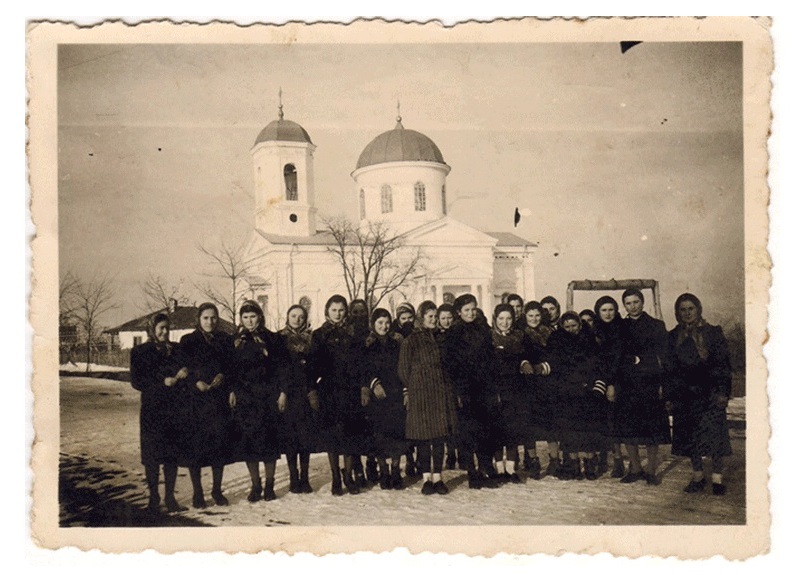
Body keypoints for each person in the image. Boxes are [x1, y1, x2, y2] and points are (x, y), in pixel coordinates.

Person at [666, 293, 733, 496]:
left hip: (710, 393)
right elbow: (669, 369)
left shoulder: (713, 333)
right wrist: (670, 395)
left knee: (714, 436)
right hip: (685, 394)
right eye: (682, 310)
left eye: (691, 308)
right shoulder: (673, 336)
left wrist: (723, 392)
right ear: (678, 313)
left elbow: (723, 365)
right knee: (691, 437)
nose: (687, 313)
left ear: (698, 309)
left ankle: (717, 478)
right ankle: (697, 476)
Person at [130, 313, 189, 514]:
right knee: (152, 456)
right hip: (152, 411)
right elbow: (137, 381)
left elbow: (185, 368)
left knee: (171, 455)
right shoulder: (140, 351)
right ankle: (153, 497)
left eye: (167, 328)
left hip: (174, 409)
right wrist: (161, 382)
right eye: (161, 328)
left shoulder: (177, 349)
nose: (164, 332)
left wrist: (184, 372)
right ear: (152, 329)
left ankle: (170, 497)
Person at [230, 300, 289, 502]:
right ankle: (256, 485)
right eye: (245, 317)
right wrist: (232, 390)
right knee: (250, 444)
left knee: (269, 444)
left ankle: (270, 486)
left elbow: (282, 368)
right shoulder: (237, 341)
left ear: (260, 317)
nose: (249, 321)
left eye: (253, 316)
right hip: (246, 399)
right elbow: (232, 370)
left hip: (268, 397)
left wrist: (283, 392)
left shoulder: (273, 339)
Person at [441, 294, 501, 489]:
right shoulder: (453, 333)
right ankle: (472, 472)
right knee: (467, 432)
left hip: (484, 388)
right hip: (464, 390)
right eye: (466, 310)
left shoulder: (484, 330)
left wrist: (492, 385)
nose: (470, 313)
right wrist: (458, 389)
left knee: (485, 429)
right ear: (459, 312)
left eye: (473, 309)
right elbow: (449, 365)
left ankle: (485, 466)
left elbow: (491, 359)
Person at [309, 294, 367, 495]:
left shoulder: (354, 334)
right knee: (332, 436)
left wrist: (362, 387)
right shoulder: (319, 335)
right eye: (334, 310)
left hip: (350, 391)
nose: (338, 313)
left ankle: (348, 475)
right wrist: (313, 390)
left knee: (350, 435)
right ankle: (335, 477)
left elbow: (361, 364)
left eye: (341, 310)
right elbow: (312, 365)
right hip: (329, 391)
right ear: (327, 311)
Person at [399, 301, 459, 495]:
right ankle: (426, 479)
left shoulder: (442, 338)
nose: (433, 320)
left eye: (435, 316)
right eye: (430, 316)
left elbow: (449, 366)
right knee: (424, 438)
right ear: (421, 317)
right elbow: (403, 370)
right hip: (421, 395)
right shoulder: (411, 340)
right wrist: (416, 385)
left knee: (440, 437)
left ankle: (438, 478)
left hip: (441, 394)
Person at [178, 303, 234, 508]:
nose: (210, 322)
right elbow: (183, 368)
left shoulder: (225, 340)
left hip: (218, 401)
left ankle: (217, 491)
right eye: (206, 318)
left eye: (213, 318)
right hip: (196, 402)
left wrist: (223, 376)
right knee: (196, 449)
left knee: (218, 447)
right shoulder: (188, 341)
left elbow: (231, 366)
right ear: (198, 320)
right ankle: (198, 493)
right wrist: (195, 381)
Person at [615, 288, 670, 485]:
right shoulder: (620, 326)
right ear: (624, 306)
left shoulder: (656, 325)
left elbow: (664, 357)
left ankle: (651, 470)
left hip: (649, 383)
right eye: (628, 303)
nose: (633, 306)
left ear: (643, 302)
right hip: (627, 384)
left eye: (636, 302)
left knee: (650, 429)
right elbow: (616, 355)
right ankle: (635, 468)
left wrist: (662, 383)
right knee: (629, 428)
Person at [544, 312, 609, 480]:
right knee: (569, 431)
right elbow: (554, 366)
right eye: (567, 327)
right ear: (561, 327)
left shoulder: (590, 340)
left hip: (587, 390)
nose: (571, 329)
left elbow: (598, 365)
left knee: (587, 430)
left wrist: (597, 386)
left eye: (574, 326)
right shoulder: (557, 341)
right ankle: (572, 465)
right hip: (566, 392)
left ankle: (589, 464)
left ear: (580, 325)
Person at [360, 308, 409, 490]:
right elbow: (365, 369)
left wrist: (405, 391)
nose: (384, 326)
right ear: (373, 324)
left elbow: (403, 369)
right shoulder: (368, 345)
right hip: (378, 396)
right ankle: (384, 471)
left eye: (387, 322)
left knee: (397, 434)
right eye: (380, 322)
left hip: (395, 394)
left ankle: (395, 470)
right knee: (379, 435)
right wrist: (374, 384)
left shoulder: (397, 344)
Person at [279, 304, 322, 494]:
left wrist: (313, 387)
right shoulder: (279, 339)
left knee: (305, 438)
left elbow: (318, 366)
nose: (297, 319)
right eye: (293, 316)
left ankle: (304, 477)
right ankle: (293, 476)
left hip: (306, 393)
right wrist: (282, 391)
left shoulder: (312, 339)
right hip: (288, 394)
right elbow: (278, 369)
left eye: (301, 316)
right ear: (287, 317)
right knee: (290, 438)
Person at [490, 303, 534, 483]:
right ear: (495, 319)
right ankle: (499, 468)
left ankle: (511, 469)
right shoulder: (489, 338)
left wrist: (524, 361)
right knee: (497, 430)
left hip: (515, 389)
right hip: (495, 390)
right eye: (501, 319)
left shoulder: (519, 337)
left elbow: (527, 356)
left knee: (513, 430)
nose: (505, 322)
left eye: (508, 319)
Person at [521, 301, 557, 478]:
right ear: (525, 316)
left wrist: (545, 367)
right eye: (530, 315)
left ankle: (554, 460)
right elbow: (518, 354)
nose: (534, 319)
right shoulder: (521, 334)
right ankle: (533, 460)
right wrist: (524, 363)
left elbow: (557, 357)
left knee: (550, 423)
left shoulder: (550, 333)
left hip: (546, 383)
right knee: (529, 424)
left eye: (537, 315)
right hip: (527, 384)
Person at [591, 296, 626, 478]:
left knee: (614, 420)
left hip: (616, 380)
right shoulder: (594, 330)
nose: (608, 313)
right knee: (599, 420)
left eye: (611, 309)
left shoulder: (621, 329)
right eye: (604, 310)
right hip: (598, 381)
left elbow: (618, 359)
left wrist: (611, 383)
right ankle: (601, 458)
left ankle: (618, 459)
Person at [436, 303, 459, 470]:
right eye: (443, 318)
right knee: (445, 420)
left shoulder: (458, 334)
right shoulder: (436, 336)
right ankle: (450, 453)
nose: (446, 321)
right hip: (441, 381)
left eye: (449, 318)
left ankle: (459, 452)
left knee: (457, 418)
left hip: (456, 381)